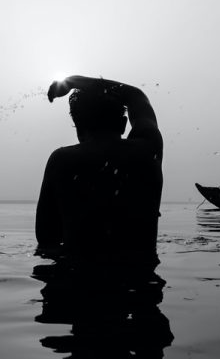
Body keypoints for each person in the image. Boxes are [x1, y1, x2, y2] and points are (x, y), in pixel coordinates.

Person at [36, 75, 164, 267]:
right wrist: (73, 80)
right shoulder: (147, 151)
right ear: (122, 124)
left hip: (75, 287)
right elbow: (136, 96)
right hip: (142, 288)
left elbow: (46, 238)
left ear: (78, 128)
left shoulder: (62, 160)